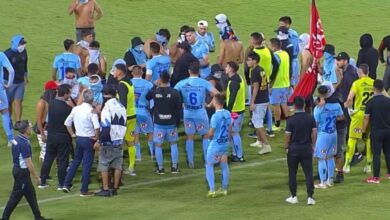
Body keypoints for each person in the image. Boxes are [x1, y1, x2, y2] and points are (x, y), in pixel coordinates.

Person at [1, 121, 52, 220]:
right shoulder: (24, 143)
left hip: (17, 170)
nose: (31, 128)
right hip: (22, 173)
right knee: (15, 197)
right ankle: (4, 218)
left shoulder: (16, 139)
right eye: (29, 126)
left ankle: (38, 217)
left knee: (31, 194)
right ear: (25, 130)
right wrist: (37, 177)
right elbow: (29, 163)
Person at [174, 61, 218, 167]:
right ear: (199, 71)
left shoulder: (182, 83)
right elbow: (216, 94)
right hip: (200, 113)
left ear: (189, 71)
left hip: (188, 113)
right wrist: (210, 104)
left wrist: (181, 103)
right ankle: (207, 160)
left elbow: (173, 94)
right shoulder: (203, 82)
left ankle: (190, 161)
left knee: (189, 137)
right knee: (206, 136)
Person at [62, 89, 100, 196]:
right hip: (89, 140)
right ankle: (84, 190)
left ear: (83, 98)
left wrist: (72, 134)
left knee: (75, 161)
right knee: (87, 165)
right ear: (92, 100)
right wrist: (97, 138)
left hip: (78, 139)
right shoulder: (91, 111)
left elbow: (67, 123)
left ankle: (66, 184)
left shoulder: (76, 109)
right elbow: (97, 127)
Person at [146, 71, 182, 174]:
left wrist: (154, 85)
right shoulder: (175, 92)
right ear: (169, 79)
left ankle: (160, 168)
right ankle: (174, 167)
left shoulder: (155, 92)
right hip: (171, 123)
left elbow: (147, 97)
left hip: (159, 123)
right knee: (173, 143)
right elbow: (179, 107)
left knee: (158, 145)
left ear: (160, 79)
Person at [39, 84, 73, 190]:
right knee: (63, 160)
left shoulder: (52, 103)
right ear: (66, 93)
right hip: (63, 137)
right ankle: (61, 183)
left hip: (52, 136)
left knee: (48, 158)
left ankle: (42, 181)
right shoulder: (68, 109)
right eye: (69, 93)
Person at [95, 85, 127, 196]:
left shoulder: (107, 107)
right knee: (117, 164)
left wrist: (99, 141)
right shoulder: (121, 106)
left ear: (104, 95)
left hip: (109, 139)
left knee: (104, 164)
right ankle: (115, 188)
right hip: (119, 139)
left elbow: (106, 126)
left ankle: (105, 189)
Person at [285, 96, 316, 205]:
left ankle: (294, 196)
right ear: (304, 105)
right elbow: (314, 133)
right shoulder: (310, 118)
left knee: (292, 173)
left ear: (294, 106)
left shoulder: (290, 120)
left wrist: (286, 147)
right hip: (306, 147)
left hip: (293, 148)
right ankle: (310, 197)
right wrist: (313, 145)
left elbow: (287, 136)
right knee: (308, 173)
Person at [343, 64, 374, 173]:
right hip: (371, 115)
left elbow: (350, 99)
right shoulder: (373, 83)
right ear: (368, 72)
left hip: (359, 115)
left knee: (352, 139)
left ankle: (347, 165)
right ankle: (369, 166)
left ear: (359, 72)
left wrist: (348, 107)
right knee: (368, 139)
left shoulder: (356, 83)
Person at [247, 32, 278, 137]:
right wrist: (272, 79)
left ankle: (257, 132)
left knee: (255, 105)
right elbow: (276, 64)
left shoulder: (253, 53)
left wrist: (248, 81)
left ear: (254, 40)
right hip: (266, 81)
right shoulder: (268, 50)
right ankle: (269, 129)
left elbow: (247, 69)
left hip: (255, 81)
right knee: (266, 105)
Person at [313, 85, 344, 189]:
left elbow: (316, 125)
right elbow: (341, 117)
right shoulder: (336, 105)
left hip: (323, 135)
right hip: (333, 133)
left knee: (321, 158)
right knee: (330, 157)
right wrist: (333, 117)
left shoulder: (318, 108)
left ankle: (323, 182)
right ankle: (330, 180)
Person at [204, 93, 232, 198]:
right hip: (224, 143)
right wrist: (227, 139)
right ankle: (224, 189)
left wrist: (206, 135)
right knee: (224, 166)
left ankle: (212, 190)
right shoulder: (228, 113)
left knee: (209, 164)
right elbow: (230, 128)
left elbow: (211, 133)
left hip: (215, 145)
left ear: (215, 102)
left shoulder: (215, 117)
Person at [364, 80, 390, 183]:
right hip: (388, 130)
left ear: (374, 88)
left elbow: (366, 119)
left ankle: (376, 177)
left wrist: (363, 131)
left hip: (376, 132)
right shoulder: (388, 101)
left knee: (376, 154)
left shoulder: (370, 102)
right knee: (388, 152)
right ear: (383, 88)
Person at [114, 64, 137, 176]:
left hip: (125, 117)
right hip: (132, 115)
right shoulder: (129, 82)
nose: (113, 71)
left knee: (118, 142)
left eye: (115, 70)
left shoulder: (122, 85)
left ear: (120, 72)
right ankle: (131, 167)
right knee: (130, 142)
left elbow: (122, 103)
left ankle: (117, 167)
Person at [246, 52, 272, 154]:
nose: (247, 62)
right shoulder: (261, 69)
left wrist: (252, 102)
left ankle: (266, 145)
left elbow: (256, 87)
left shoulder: (255, 71)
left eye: (249, 60)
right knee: (256, 121)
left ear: (254, 61)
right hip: (264, 98)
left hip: (259, 100)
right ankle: (259, 141)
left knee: (258, 123)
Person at [131, 66, 154, 161]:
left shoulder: (128, 83)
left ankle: (138, 156)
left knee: (135, 133)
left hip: (132, 112)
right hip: (144, 111)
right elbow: (152, 100)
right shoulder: (148, 84)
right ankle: (152, 153)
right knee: (150, 131)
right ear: (142, 73)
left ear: (132, 73)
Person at [4, 35, 28, 122]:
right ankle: (9, 120)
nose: (23, 46)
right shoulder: (7, 54)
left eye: (23, 44)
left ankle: (18, 121)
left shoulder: (24, 52)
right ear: (15, 44)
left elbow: (25, 65)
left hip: (20, 82)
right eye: (21, 44)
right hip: (9, 82)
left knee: (19, 101)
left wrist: (26, 76)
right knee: (9, 102)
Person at [225, 61, 246, 162]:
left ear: (231, 69)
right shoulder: (239, 77)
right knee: (234, 133)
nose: (225, 68)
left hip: (235, 112)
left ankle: (239, 156)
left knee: (234, 133)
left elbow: (232, 98)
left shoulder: (234, 82)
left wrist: (228, 111)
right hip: (239, 109)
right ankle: (235, 154)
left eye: (227, 67)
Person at [269, 38, 290, 131]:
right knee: (284, 103)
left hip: (277, 85)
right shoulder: (285, 54)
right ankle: (289, 123)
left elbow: (274, 71)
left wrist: (270, 84)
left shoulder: (276, 56)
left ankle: (277, 125)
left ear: (273, 46)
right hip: (285, 83)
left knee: (276, 105)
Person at [35, 81, 58, 163]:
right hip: (43, 129)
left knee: (53, 151)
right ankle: (43, 173)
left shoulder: (53, 101)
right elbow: (39, 120)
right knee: (44, 153)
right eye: (54, 90)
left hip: (51, 129)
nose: (56, 92)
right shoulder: (41, 103)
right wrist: (42, 134)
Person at [0, 49, 17, 146]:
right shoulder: (1, 55)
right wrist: (9, 84)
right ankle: (10, 139)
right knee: (5, 112)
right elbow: (11, 71)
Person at [279, 16, 300, 87]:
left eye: (282, 25)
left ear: (287, 24)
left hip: (291, 61)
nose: (280, 26)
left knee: (291, 83)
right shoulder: (284, 33)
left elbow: (292, 50)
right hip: (289, 60)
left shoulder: (292, 35)